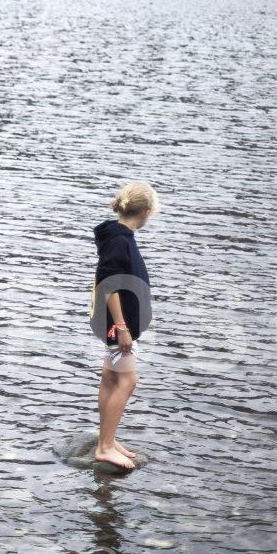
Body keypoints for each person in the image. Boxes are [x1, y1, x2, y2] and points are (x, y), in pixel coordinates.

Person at [92, 181, 159, 471]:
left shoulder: (121, 236)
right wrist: (121, 327)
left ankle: (107, 439)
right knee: (127, 381)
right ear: (145, 211)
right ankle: (105, 447)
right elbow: (110, 284)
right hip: (116, 325)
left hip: (115, 324)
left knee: (110, 377)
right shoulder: (120, 241)